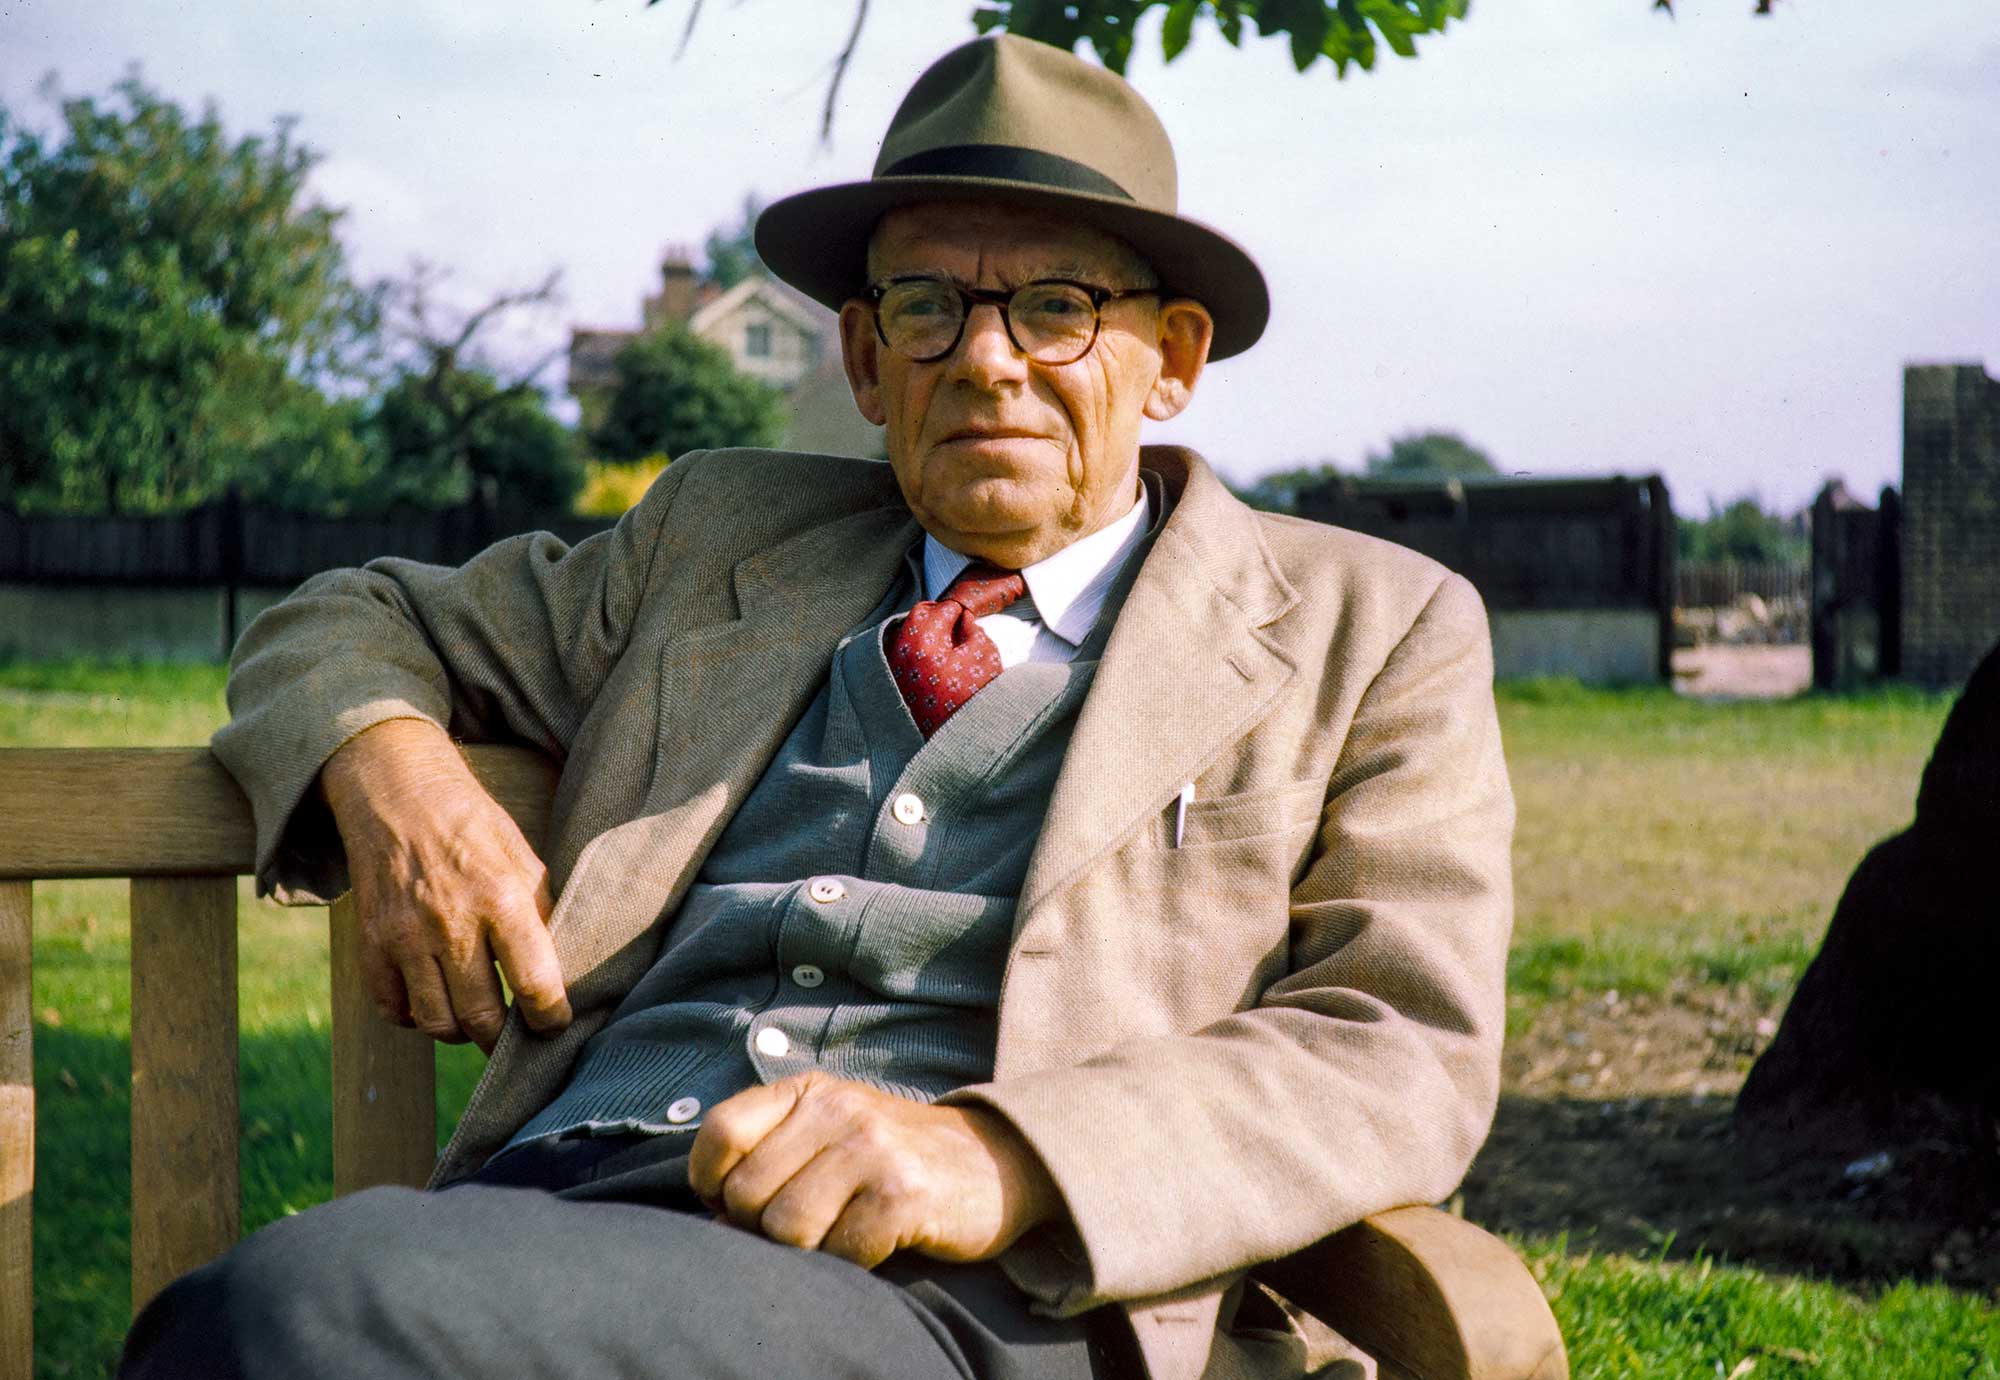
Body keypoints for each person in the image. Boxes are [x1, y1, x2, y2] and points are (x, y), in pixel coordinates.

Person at [122, 33, 1513, 1380]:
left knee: (295, 1320)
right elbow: (342, 621)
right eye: (928, 308)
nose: (985, 361)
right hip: (568, 1221)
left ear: (1174, 357)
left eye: (1058, 307)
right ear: (862, 361)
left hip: (981, 1296)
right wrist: (399, 780)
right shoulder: (718, 542)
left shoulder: (1367, 628)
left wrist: (1000, 1156)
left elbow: (1400, 1047)